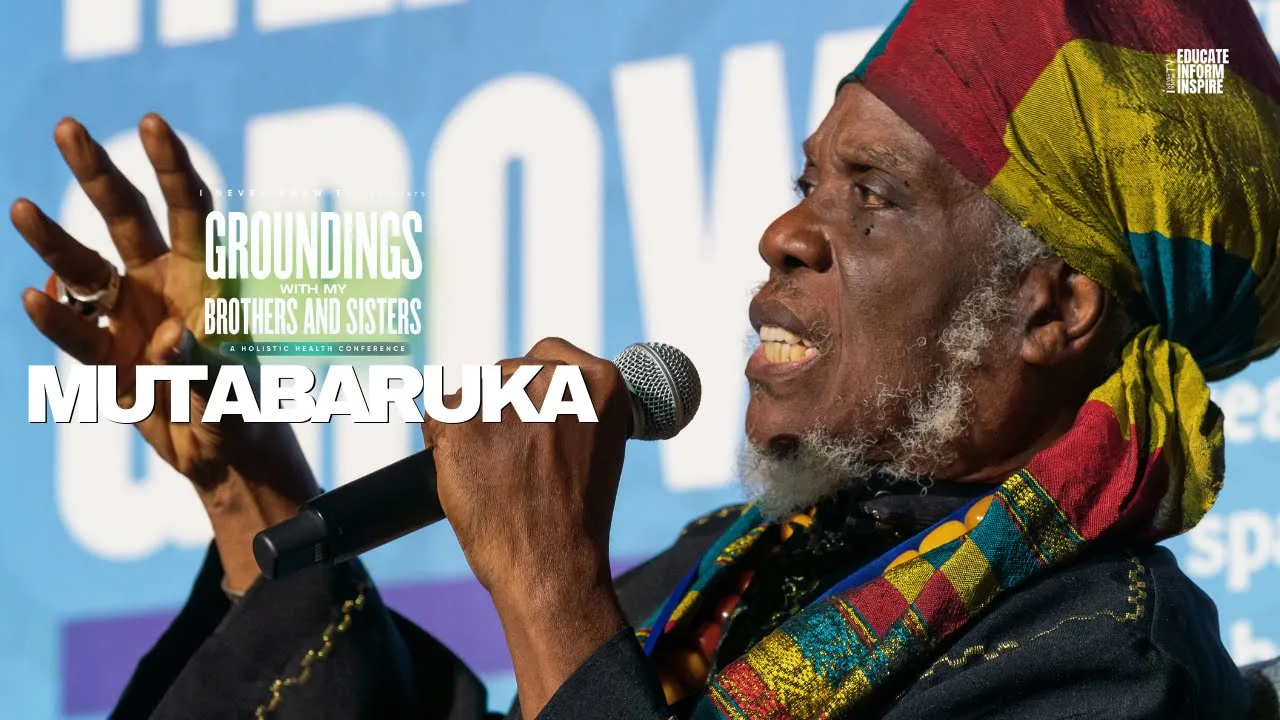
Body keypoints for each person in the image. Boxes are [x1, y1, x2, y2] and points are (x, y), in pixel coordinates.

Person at [15, 0, 1280, 717]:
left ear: (1052, 311)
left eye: (871, 194)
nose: (785, 232)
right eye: (805, 179)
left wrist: (551, 593)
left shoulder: (1107, 663)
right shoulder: (729, 568)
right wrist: (249, 481)